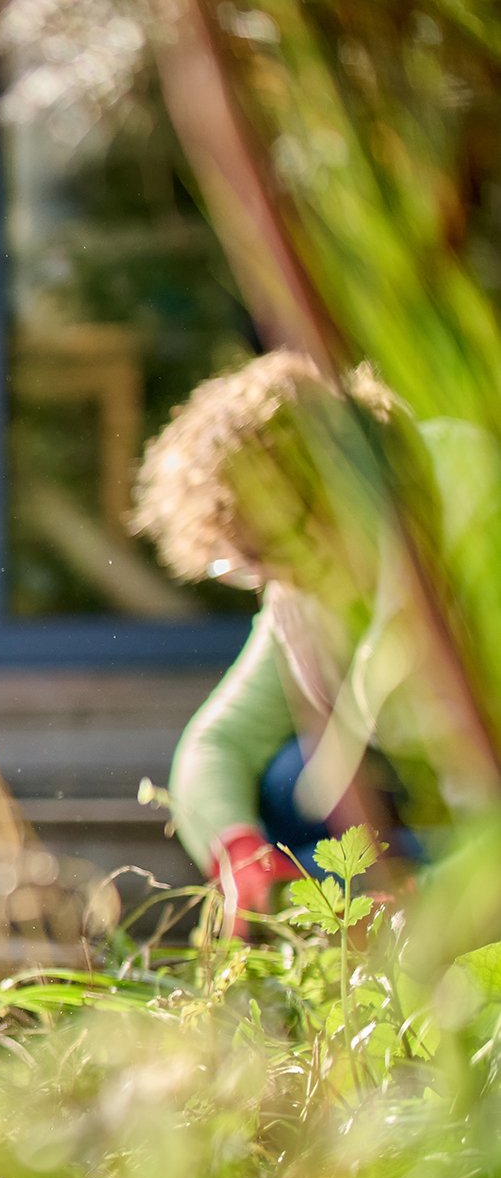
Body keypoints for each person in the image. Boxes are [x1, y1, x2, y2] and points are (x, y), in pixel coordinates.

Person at [133, 349, 468, 930]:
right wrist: (240, 854)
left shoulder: (472, 541)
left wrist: (430, 905)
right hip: (431, 821)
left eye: (273, 549)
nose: (275, 578)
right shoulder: (307, 590)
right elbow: (218, 744)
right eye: (248, 564)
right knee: (288, 784)